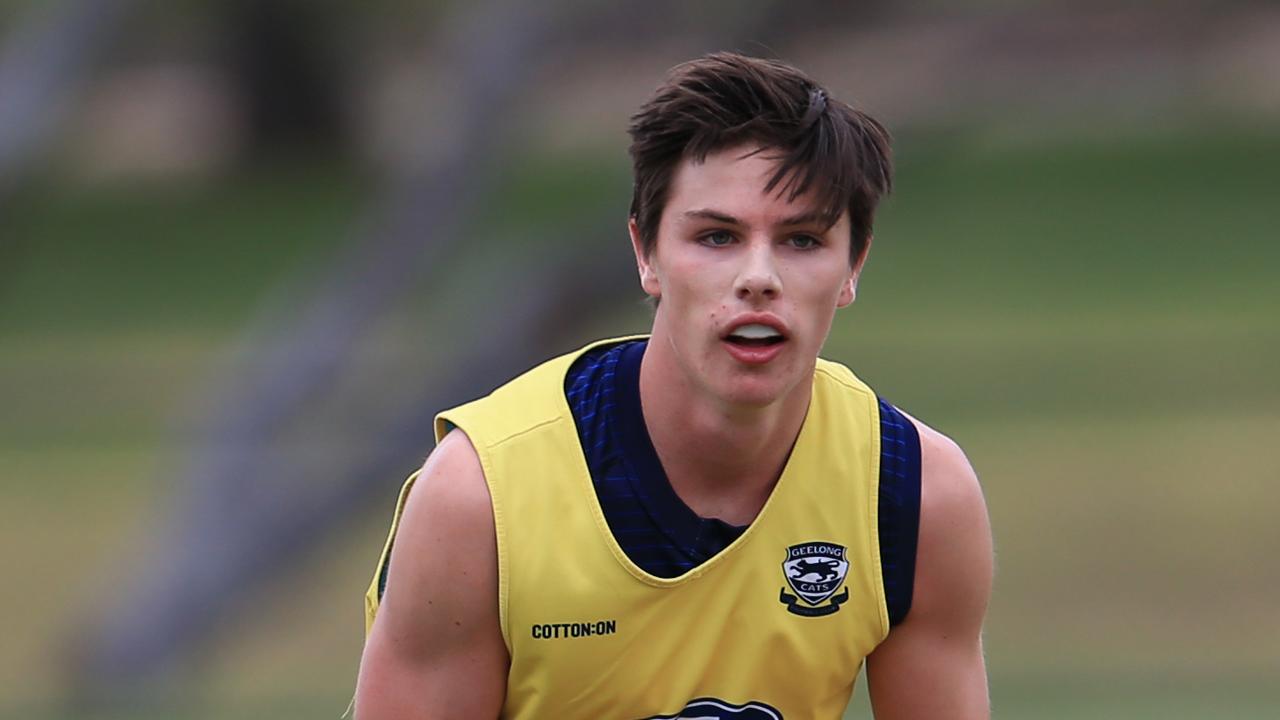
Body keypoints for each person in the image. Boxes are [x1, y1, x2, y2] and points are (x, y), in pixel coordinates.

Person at [354, 52, 992, 719]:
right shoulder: (477, 498)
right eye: (717, 236)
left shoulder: (916, 493)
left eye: (802, 240)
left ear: (854, 265)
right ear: (646, 254)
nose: (758, 277)